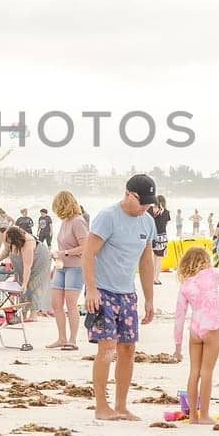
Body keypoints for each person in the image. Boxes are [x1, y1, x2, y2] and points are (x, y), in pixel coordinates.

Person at [83, 174, 160, 421]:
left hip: (128, 293)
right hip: (103, 291)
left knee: (128, 348)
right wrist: (91, 289)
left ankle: (121, 405)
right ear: (128, 194)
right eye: (143, 202)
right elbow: (87, 254)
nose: (146, 207)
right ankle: (101, 406)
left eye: (150, 203)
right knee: (107, 348)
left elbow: (146, 260)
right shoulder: (108, 217)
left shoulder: (148, 221)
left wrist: (149, 298)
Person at [171, 246, 219, 425]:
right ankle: (204, 415)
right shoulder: (211, 273)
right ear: (204, 260)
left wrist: (177, 346)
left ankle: (193, 417)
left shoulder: (185, 285)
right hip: (211, 328)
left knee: (194, 372)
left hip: (195, 330)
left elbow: (179, 317)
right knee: (207, 372)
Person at [48, 190, 89, 351]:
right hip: (61, 267)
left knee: (71, 304)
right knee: (56, 303)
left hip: (76, 267)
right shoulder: (65, 221)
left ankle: (72, 340)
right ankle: (61, 338)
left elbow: (85, 247)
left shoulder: (78, 221)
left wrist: (65, 253)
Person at [0, 225, 51, 321]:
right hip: (23, 262)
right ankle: (23, 314)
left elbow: (27, 266)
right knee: (20, 283)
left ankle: (33, 315)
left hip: (40, 259)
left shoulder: (27, 242)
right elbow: (6, 250)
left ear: (14, 239)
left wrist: (25, 284)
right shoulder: (8, 237)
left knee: (34, 284)